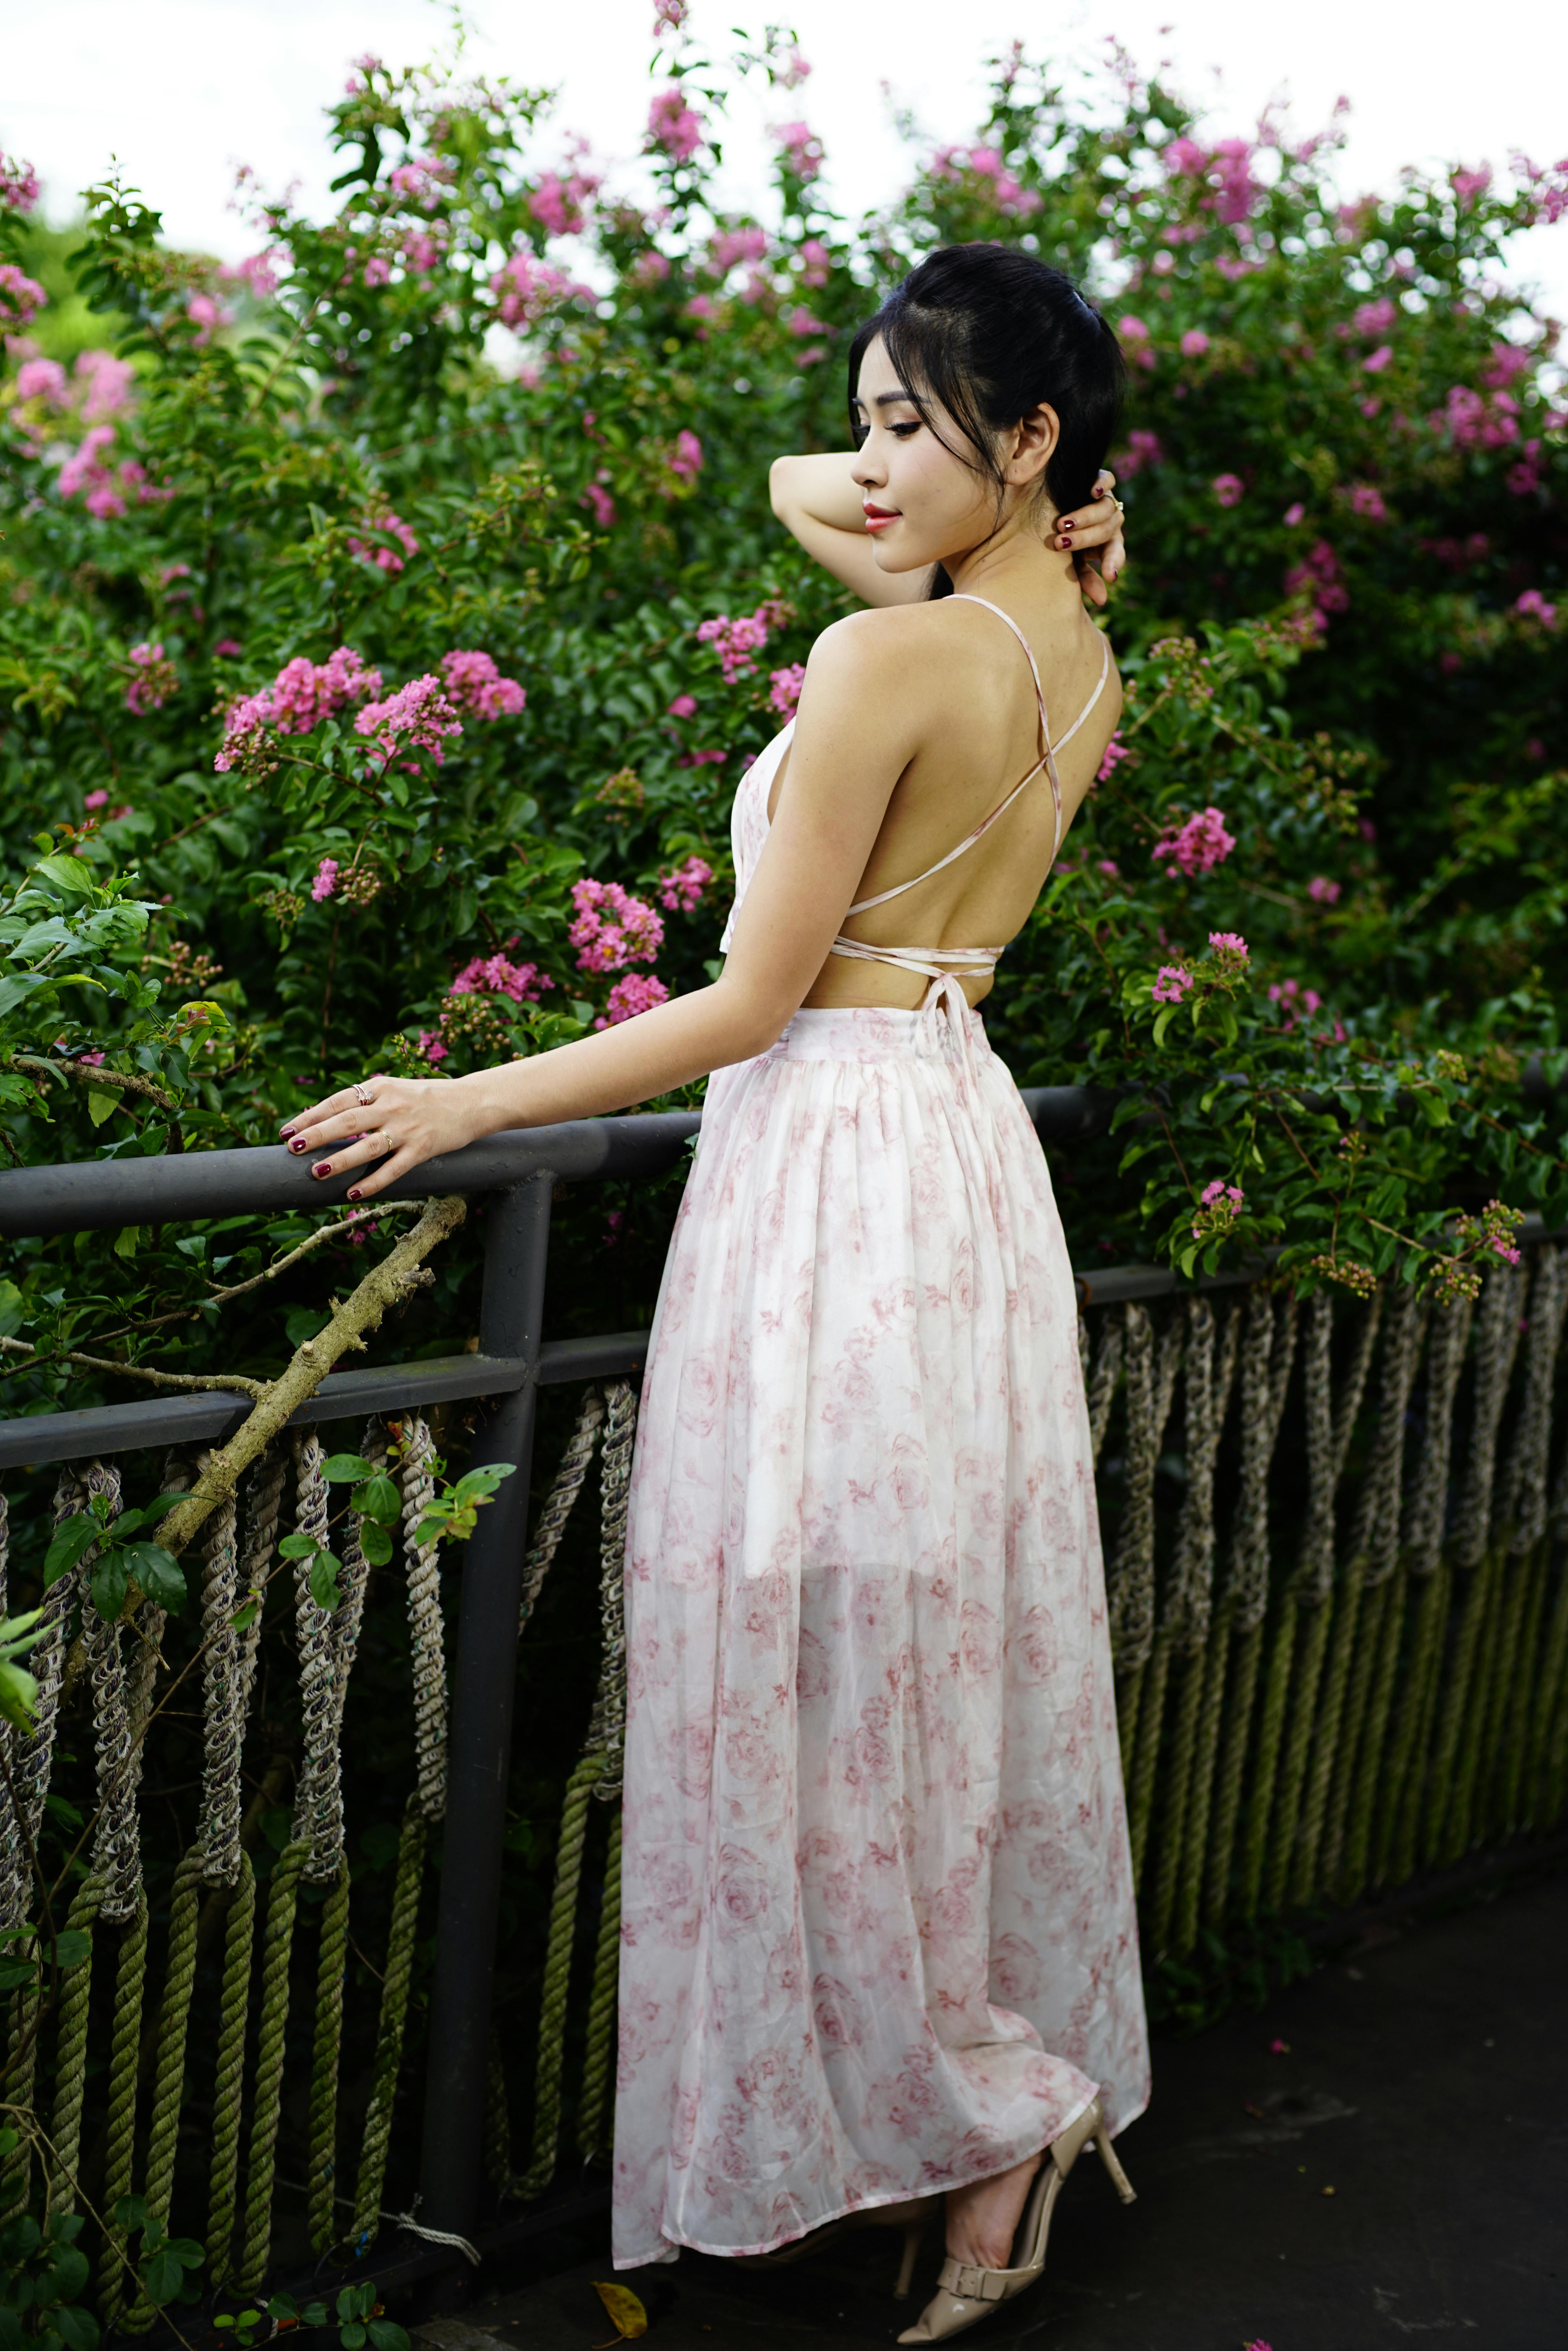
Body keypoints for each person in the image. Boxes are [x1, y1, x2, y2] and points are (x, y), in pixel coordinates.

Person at [281, 242, 1148, 2343]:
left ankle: (976, 2108)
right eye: (857, 420)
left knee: (805, 1652)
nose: (850, 466)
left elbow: (749, 1001)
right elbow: (825, 493)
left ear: (1025, 444)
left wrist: (465, 1087)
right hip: (955, 1151)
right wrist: (1011, 482)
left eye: (900, 425)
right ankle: (956, 2119)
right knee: (922, 1651)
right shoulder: (1076, 648)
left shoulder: (884, 668)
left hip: (835, 1167)